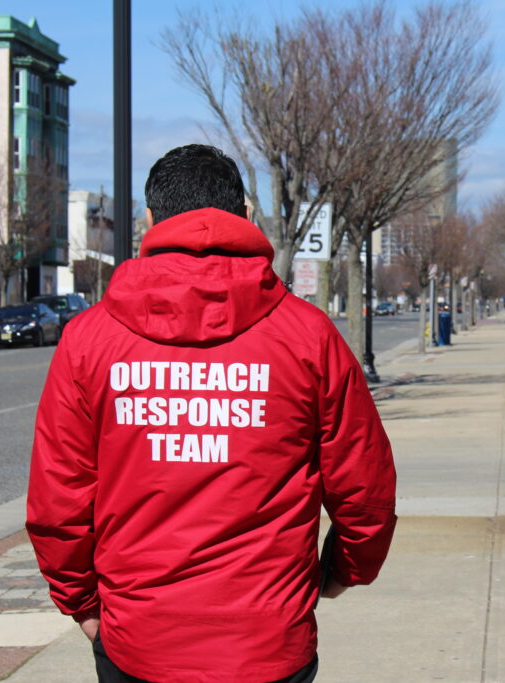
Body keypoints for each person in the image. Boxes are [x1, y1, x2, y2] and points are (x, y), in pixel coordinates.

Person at [26, 144, 397, 683]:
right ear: (245, 217)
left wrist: (82, 605)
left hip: (139, 642)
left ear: (149, 221)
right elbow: (366, 489)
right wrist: (341, 574)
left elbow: (58, 500)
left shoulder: (89, 340)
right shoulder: (307, 336)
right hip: (267, 640)